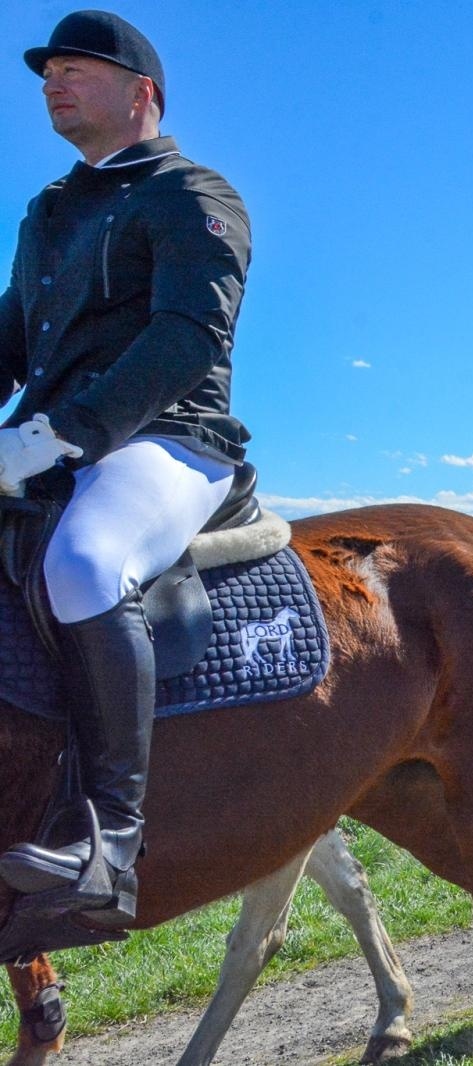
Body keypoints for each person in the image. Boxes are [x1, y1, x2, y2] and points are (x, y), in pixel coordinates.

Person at [0, 11, 252, 925]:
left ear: (142, 92)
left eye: (76, 70)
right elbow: (13, 338)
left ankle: (109, 840)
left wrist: (61, 434)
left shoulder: (194, 195)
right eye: (46, 73)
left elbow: (186, 339)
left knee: (82, 562)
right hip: (51, 444)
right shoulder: (49, 212)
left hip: (168, 439)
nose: (51, 84)